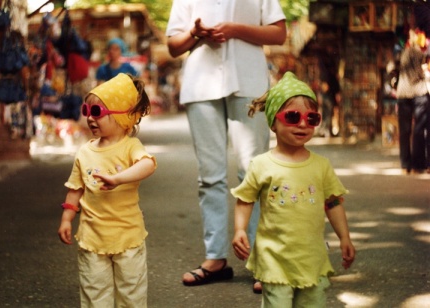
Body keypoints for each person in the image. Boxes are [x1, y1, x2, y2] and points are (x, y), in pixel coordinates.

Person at [166, 0, 287, 292]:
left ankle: (261, 259)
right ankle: (215, 258)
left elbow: (278, 34)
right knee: (210, 175)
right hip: (200, 85)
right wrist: (196, 33)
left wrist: (234, 30)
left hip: (249, 82)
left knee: (254, 172)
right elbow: (173, 45)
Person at [231, 72, 356, 307]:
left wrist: (344, 237)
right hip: (273, 258)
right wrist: (240, 229)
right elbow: (245, 199)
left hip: (311, 258)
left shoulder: (321, 166)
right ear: (273, 122)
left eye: (312, 119)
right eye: (292, 116)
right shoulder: (261, 164)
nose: (302, 124)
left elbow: (333, 202)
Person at [57, 73, 156, 307]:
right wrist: (66, 218)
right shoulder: (85, 152)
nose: (90, 118)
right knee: (94, 294)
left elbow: (148, 164)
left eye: (97, 112)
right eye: (86, 111)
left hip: (128, 236)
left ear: (123, 116)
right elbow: (75, 189)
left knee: (131, 295)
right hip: (92, 239)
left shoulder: (131, 146)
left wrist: (119, 178)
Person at [395, 31, 429, 174]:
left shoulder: (401, 54)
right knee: (418, 130)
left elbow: (393, 69)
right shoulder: (423, 55)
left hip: (403, 93)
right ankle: (418, 165)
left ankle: (405, 165)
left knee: (404, 130)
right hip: (419, 92)